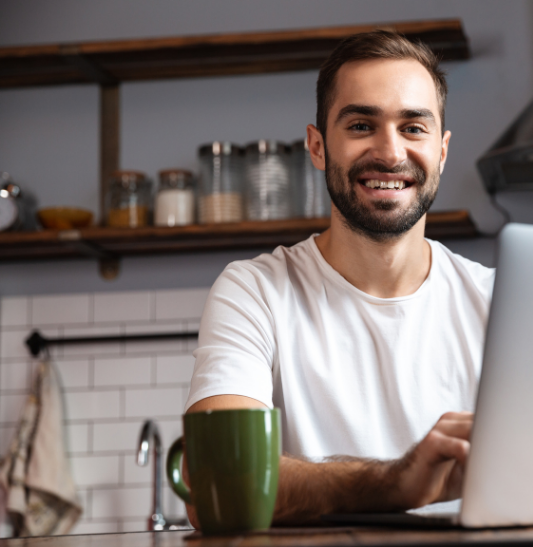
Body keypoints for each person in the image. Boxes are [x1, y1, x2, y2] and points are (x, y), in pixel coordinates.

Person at [184, 30, 495, 525]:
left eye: (414, 127)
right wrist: (394, 482)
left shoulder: (498, 301)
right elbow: (215, 484)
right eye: (360, 125)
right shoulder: (255, 291)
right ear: (317, 146)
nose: (390, 152)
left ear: (442, 150)